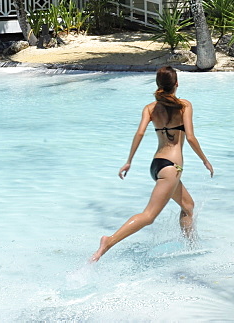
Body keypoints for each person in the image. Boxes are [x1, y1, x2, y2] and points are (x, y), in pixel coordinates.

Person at [90, 65, 213, 262]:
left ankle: (191, 246)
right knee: (149, 216)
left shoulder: (150, 108)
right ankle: (108, 242)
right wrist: (205, 160)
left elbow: (139, 133)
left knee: (188, 206)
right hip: (172, 168)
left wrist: (129, 161)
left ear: (158, 85)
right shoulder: (184, 106)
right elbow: (190, 137)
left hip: (157, 165)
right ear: (176, 84)